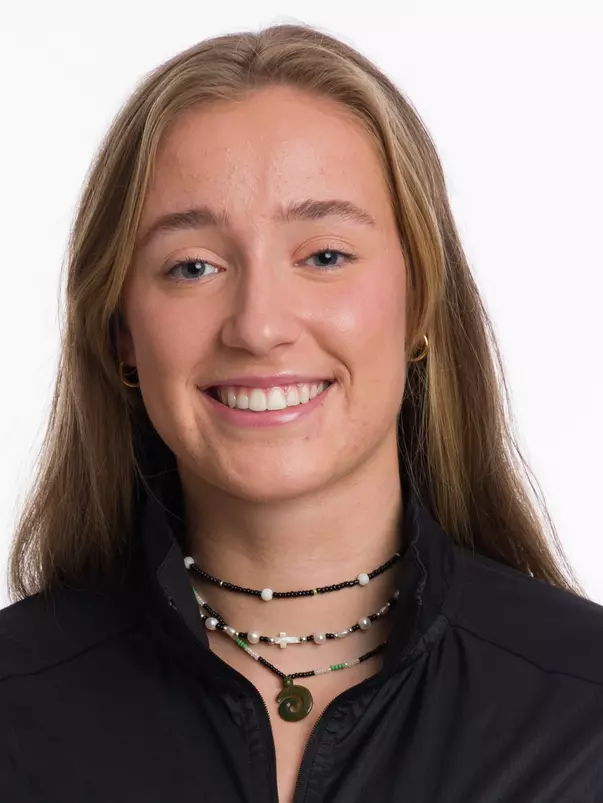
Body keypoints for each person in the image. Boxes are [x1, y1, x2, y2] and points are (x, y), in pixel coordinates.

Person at [1, 21, 602, 803]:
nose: (257, 325)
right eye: (192, 266)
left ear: (419, 303)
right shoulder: (16, 710)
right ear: (121, 333)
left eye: (324, 255)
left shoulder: (582, 710)